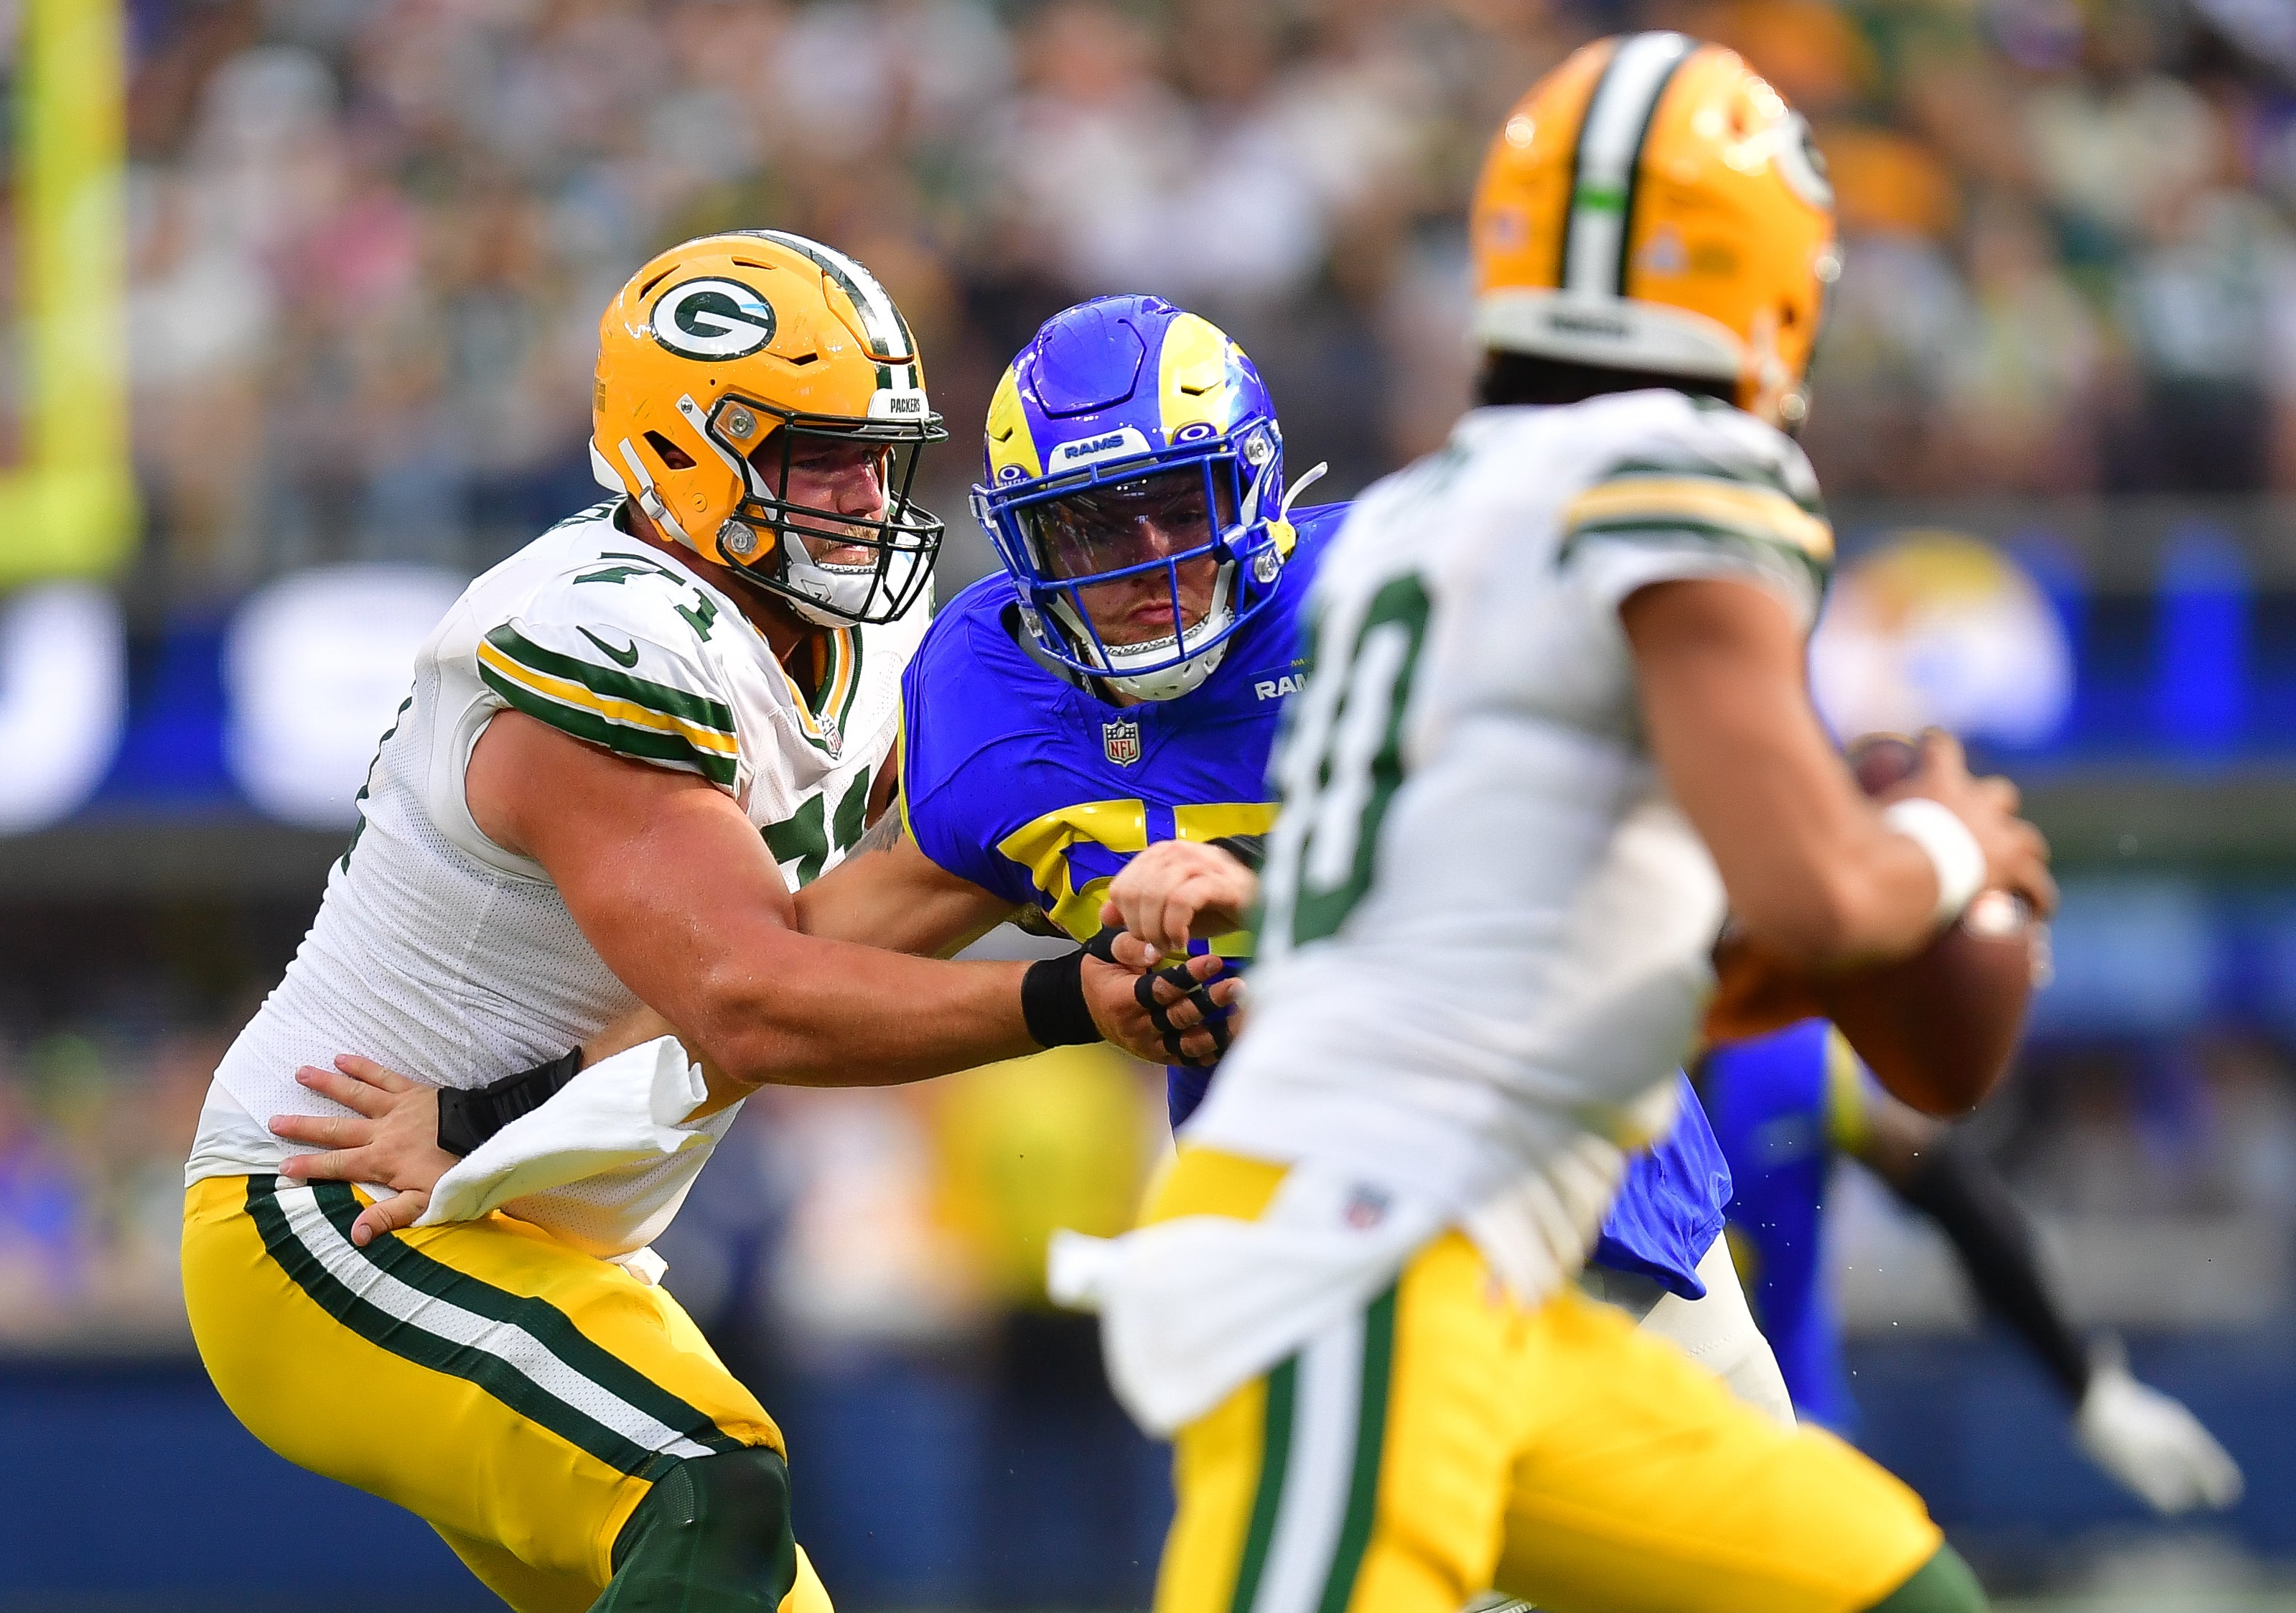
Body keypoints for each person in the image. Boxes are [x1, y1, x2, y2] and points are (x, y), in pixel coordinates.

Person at [358, 290, 1785, 1431]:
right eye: (1095, 524)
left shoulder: (1414, 604)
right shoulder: (999, 716)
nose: (1150, 558)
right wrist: (499, 1111)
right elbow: (783, 970)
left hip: (1598, 1208)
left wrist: (1287, 897)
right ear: (1028, 542)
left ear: (1258, 486)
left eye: (1178, 504)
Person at [1060, 33, 2058, 1613]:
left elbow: (1663, 957)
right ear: (1778, 273)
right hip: (1360, 1253)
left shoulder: (1409, 522)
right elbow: (1813, 904)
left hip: (1511, 1268)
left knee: (1899, 1593)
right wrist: (1950, 850)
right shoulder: (1672, 474)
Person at [179, 229, 1215, 1613]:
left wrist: (493, 1114)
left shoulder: (867, 645)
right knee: (707, 1479)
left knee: (730, 1554)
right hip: (333, 1210)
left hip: (514, 1197)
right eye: (813, 459)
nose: (858, 497)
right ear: (681, 451)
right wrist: (1065, 999)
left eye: (872, 455)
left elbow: (851, 917)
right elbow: (751, 1000)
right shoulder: (595, 635)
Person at [1700, 1019, 2243, 1514]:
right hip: (1642, 1430)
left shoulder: (1788, 1061)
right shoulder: (1622, 1093)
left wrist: (2084, 1385)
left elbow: (1956, 1198)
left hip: (1796, 1433)